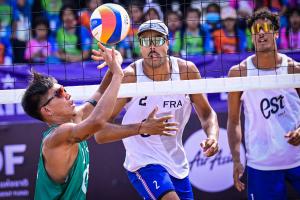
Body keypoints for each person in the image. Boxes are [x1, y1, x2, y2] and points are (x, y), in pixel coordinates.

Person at [22, 43, 178, 199]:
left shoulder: (74, 119)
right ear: (47, 110)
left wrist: (113, 65)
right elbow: (98, 121)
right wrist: (118, 75)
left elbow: (99, 93)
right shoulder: (57, 136)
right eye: (59, 93)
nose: (67, 94)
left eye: (64, 89)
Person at [92, 19, 219, 199]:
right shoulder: (130, 77)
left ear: (167, 43)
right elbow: (100, 133)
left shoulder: (186, 71)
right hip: (143, 162)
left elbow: (207, 113)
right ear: (140, 47)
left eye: (157, 40)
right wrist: (142, 127)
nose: (152, 47)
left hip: (176, 163)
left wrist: (212, 136)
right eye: (145, 41)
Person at [227, 8, 300, 200]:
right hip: (262, 164)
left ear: (276, 33)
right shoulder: (239, 72)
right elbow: (234, 121)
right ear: (251, 36)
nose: (260, 32)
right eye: (256, 29)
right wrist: (236, 160)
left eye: (266, 28)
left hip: (298, 159)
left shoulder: (294, 69)